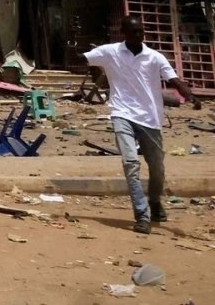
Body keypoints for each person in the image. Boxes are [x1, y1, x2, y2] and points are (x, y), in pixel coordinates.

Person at [84, 18, 203, 233]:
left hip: (150, 118)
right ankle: (142, 215)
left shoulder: (155, 57)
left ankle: (155, 202)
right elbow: (84, 59)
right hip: (122, 114)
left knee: (157, 167)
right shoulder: (110, 52)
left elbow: (173, 79)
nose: (139, 36)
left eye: (141, 32)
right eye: (134, 32)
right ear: (124, 32)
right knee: (130, 163)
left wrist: (190, 96)